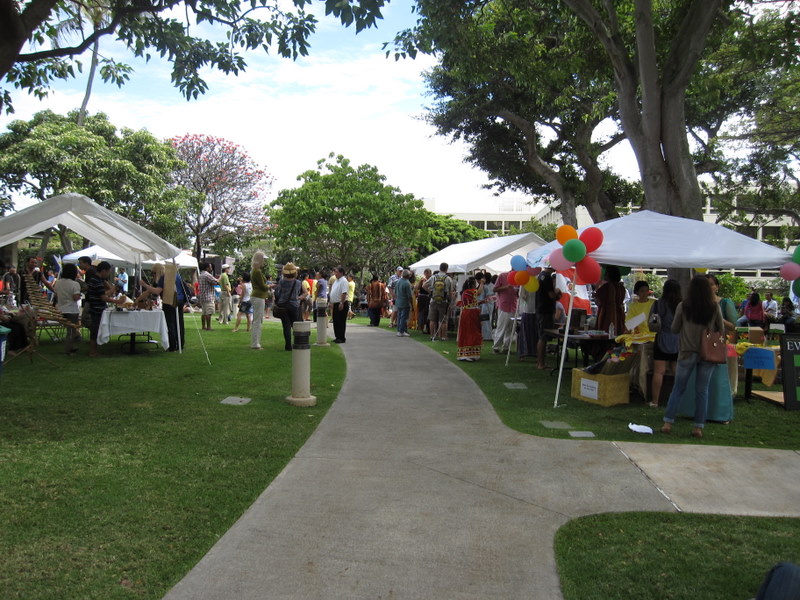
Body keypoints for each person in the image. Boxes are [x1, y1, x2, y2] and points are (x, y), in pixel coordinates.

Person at [661, 275, 725, 438]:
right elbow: (721, 328)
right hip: (707, 353)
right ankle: (698, 427)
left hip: (687, 352)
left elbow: (674, 328)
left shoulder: (683, 306)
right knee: (702, 391)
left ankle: (668, 422)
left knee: (678, 389)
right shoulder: (714, 306)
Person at [648, 279, 681, 408]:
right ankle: (677, 401)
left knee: (659, 371)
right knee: (676, 371)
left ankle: (655, 401)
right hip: (678, 340)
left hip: (662, 338)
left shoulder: (658, 304)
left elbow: (651, 321)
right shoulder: (682, 305)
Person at [86, 261, 125, 357]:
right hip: (96, 309)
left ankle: (95, 350)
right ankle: (93, 351)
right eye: (108, 272)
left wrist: (111, 290)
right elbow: (103, 297)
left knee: (96, 329)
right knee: (95, 330)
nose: (108, 274)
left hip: (96, 307)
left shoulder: (96, 280)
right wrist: (117, 301)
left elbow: (101, 294)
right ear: (103, 270)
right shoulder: (97, 280)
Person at [274, 262, 305, 350]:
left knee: (286, 326)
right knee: (295, 325)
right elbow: (305, 292)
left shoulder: (281, 282)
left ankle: (288, 345)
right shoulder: (298, 283)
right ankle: (298, 342)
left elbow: (277, 293)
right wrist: (299, 297)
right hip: (294, 306)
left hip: (283, 306)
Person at [536, 266, 562, 370]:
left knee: (542, 336)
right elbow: (551, 295)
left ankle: (540, 362)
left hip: (542, 309)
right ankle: (541, 363)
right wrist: (557, 292)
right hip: (545, 311)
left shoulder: (542, 275)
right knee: (543, 337)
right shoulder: (546, 277)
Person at [53, 263, 82, 355]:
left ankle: (71, 347)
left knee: (69, 330)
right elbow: (75, 297)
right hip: (71, 310)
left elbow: (56, 295)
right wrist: (80, 295)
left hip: (61, 309)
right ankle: (68, 350)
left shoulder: (58, 283)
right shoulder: (75, 284)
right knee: (71, 331)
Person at [457, 276, 484, 362]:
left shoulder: (465, 292)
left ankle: (470, 354)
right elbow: (479, 292)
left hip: (469, 313)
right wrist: (482, 283)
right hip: (470, 314)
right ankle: (469, 354)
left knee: (470, 332)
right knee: (471, 332)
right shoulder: (469, 291)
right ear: (472, 284)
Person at [424, 262, 454, 341]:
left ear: (439, 268)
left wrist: (431, 292)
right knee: (443, 320)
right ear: (446, 269)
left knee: (432, 320)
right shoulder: (448, 279)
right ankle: (443, 337)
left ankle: (432, 336)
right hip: (444, 301)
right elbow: (450, 292)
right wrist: (450, 302)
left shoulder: (433, 277)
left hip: (433, 300)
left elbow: (424, 285)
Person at [594, 265, 626, 336]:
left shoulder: (606, 287)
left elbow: (598, 302)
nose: (604, 275)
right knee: (617, 335)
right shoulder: (621, 287)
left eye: (606, 273)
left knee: (605, 336)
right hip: (619, 314)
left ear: (609, 275)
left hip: (606, 315)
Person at [492, 270, 518, 355]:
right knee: (501, 327)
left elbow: (517, 293)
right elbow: (495, 289)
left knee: (510, 328)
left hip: (513, 305)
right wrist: (506, 287)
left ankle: (506, 347)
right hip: (504, 305)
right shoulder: (503, 275)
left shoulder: (519, 277)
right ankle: (496, 347)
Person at [250, 252, 269, 349]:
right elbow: (263, 286)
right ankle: (255, 343)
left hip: (257, 296)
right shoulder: (257, 271)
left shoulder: (254, 271)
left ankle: (255, 342)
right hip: (259, 296)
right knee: (258, 320)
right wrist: (270, 286)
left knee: (257, 320)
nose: (264, 261)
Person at [517, 275, 538, 360]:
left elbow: (522, 295)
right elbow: (522, 295)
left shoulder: (537, 279)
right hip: (528, 310)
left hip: (533, 309)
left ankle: (534, 352)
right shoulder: (525, 280)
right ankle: (525, 353)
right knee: (527, 333)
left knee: (533, 333)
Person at [330, 266, 350, 344]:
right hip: (335, 303)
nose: (335, 273)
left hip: (341, 303)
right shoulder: (336, 281)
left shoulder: (344, 281)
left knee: (340, 321)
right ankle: (337, 336)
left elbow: (344, 292)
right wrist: (331, 302)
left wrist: (341, 302)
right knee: (336, 321)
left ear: (341, 273)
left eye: (336, 272)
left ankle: (341, 337)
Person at [394, 269, 413, 337]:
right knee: (404, 317)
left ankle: (400, 330)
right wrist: (411, 303)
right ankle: (401, 331)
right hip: (405, 302)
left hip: (398, 301)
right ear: (408, 276)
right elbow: (409, 295)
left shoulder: (398, 281)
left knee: (399, 316)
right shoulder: (407, 283)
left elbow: (395, 291)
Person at [415, 268, 432, 333]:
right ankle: (422, 327)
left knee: (423, 312)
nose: (427, 274)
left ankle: (422, 326)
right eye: (427, 273)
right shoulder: (425, 280)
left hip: (422, 297)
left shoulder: (423, 279)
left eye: (428, 273)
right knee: (423, 312)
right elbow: (418, 288)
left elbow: (417, 288)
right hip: (425, 297)